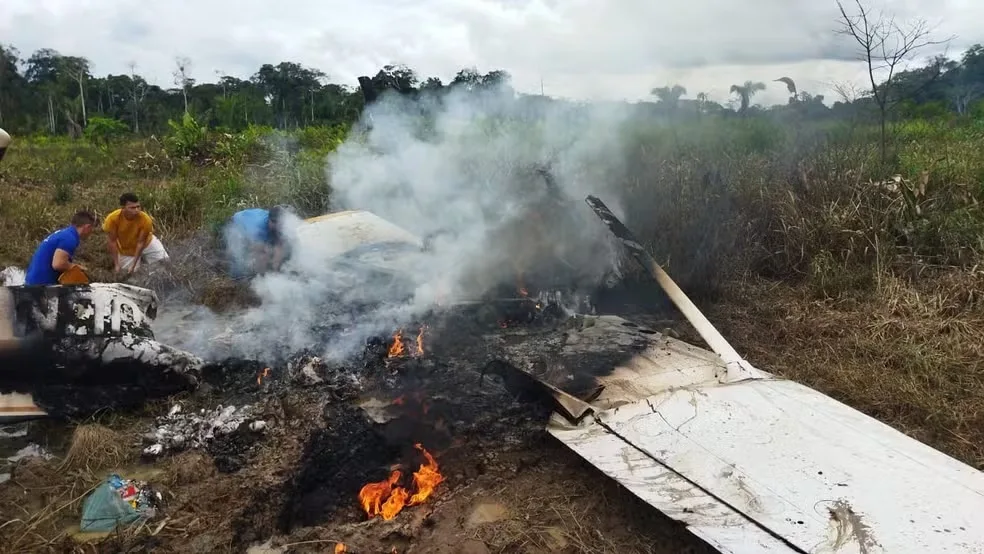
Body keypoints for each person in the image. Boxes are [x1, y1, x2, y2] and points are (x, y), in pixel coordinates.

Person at [24, 211, 97, 286]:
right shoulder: (69, 238)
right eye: (91, 228)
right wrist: (76, 267)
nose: (91, 232)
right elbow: (58, 264)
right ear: (87, 227)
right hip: (41, 285)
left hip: (31, 281)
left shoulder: (64, 234)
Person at [103, 192, 169, 275]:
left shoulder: (145, 219)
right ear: (123, 208)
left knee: (164, 262)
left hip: (147, 243)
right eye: (132, 208)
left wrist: (133, 264)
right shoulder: (112, 219)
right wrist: (116, 264)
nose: (137, 210)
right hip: (126, 250)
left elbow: (140, 242)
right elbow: (112, 241)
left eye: (138, 207)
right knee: (128, 274)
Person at [223, 206, 287, 278]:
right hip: (236, 224)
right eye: (274, 222)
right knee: (238, 259)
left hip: (253, 220)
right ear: (270, 220)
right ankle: (235, 274)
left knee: (268, 251)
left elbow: (279, 247)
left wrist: (276, 271)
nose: (277, 225)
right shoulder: (258, 228)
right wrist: (262, 277)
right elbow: (259, 252)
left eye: (280, 223)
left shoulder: (279, 224)